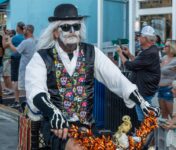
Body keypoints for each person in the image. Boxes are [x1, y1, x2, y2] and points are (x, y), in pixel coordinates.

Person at [25, 4, 160, 150]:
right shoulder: (42, 58)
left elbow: (117, 79)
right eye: (65, 27)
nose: (72, 31)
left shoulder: (91, 52)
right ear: (55, 33)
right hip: (57, 128)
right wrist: (53, 112)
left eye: (76, 27)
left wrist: (142, 102)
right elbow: (36, 90)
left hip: (87, 126)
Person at [117, 25, 161, 122]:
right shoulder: (150, 51)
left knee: (144, 118)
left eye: (140, 36)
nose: (138, 38)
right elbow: (138, 63)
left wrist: (120, 53)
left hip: (144, 90)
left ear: (145, 38)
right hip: (144, 89)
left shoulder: (150, 53)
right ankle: (146, 135)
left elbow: (130, 66)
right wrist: (129, 55)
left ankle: (146, 136)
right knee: (144, 116)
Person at [9, 25, 37, 92]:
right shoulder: (36, 40)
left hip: (26, 68)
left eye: (24, 29)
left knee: (27, 89)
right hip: (34, 68)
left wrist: (9, 43)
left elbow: (16, 50)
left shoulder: (26, 42)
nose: (23, 30)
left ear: (29, 31)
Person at [10, 22, 25, 108]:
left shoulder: (14, 38)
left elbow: (5, 46)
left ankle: (16, 101)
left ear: (18, 28)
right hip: (24, 60)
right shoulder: (25, 38)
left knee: (15, 80)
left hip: (15, 59)